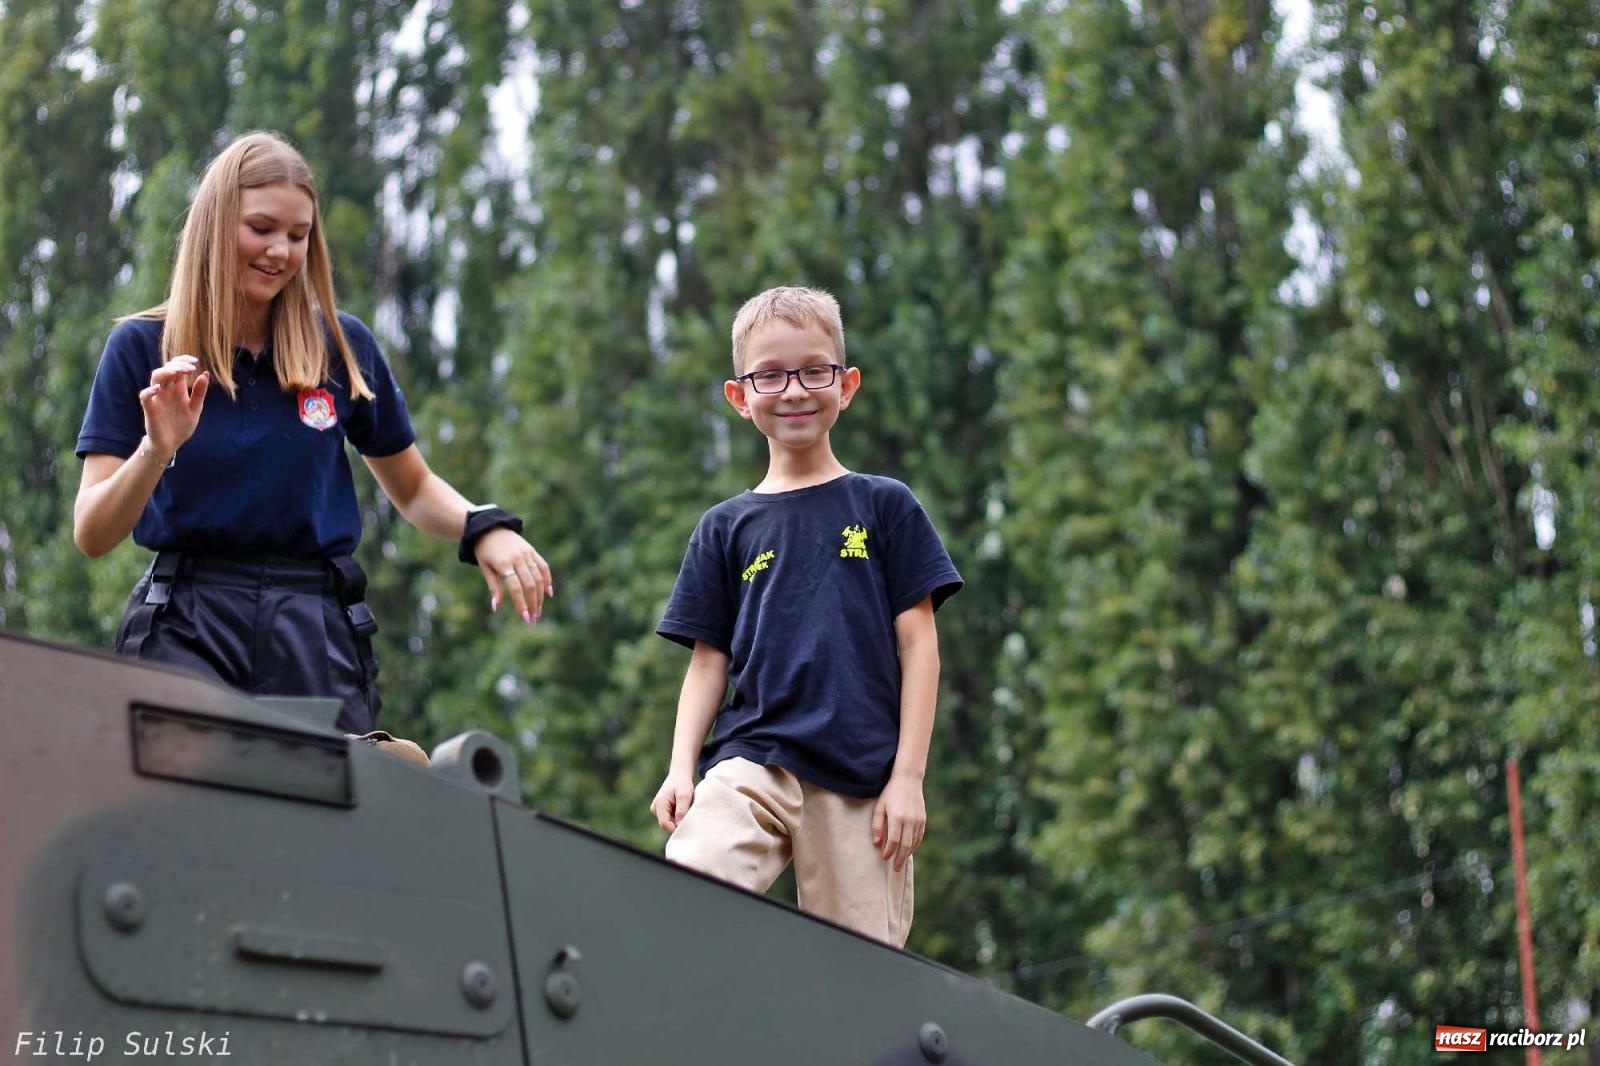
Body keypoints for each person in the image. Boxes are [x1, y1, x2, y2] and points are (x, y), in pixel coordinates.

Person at [73, 130, 551, 736]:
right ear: (215, 225)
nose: (280, 251)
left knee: (331, 795)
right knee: (191, 792)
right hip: (187, 623)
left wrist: (483, 526)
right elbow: (92, 533)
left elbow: (412, 487)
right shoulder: (143, 347)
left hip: (313, 627)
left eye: (298, 236)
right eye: (261, 228)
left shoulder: (341, 347)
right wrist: (156, 448)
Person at [650, 286, 962, 947]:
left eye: (814, 370)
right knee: (689, 882)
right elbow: (707, 665)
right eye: (770, 374)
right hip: (753, 758)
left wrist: (908, 778)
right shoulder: (724, 528)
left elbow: (920, 647)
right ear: (740, 396)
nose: (793, 390)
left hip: (861, 778)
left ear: (846, 385)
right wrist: (681, 768)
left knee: (859, 971)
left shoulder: (885, 506)